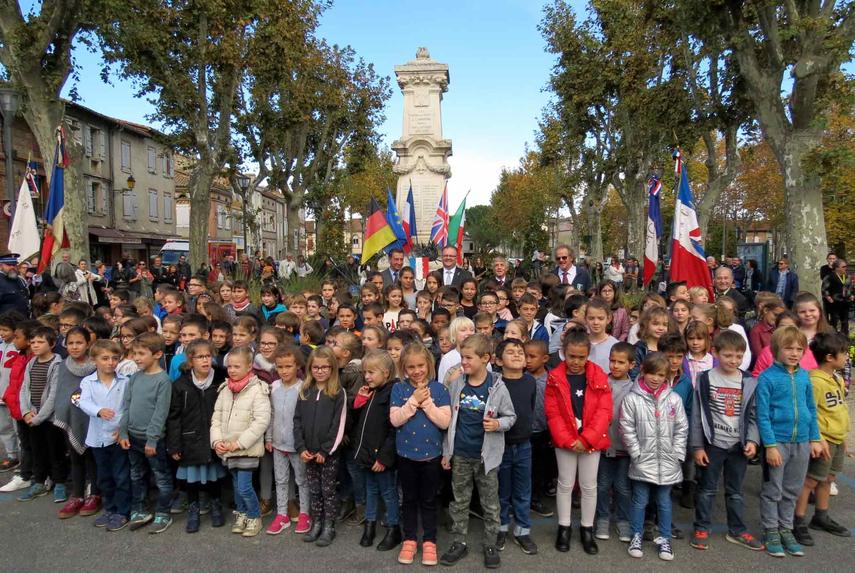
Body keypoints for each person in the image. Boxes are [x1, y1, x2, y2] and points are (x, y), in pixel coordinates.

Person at [440, 334, 516, 569]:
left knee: (490, 503)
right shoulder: (457, 385)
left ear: (485, 359)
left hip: (486, 458)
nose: (463, 362)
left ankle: (490, 543)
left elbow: (511, 417)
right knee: (459, 502)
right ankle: (459, 541)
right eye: (462, 357)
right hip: (460, 454)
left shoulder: (497, 387)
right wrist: (446, 453)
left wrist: (498, 425)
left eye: (468, 357)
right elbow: (449, 420)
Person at [689, 330, 764, 551]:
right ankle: (701, 527)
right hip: (713, 445)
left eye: (739, 356)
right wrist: (697, 446)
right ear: (715, 353)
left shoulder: (749, 381)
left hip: (737, 445)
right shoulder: (705, 379)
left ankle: (737, 530)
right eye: (728, 355)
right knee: (706, 489)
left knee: (736, 491)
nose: (734, 360)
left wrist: (752, 441)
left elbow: (753, 415)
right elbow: (696, 415)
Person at [755, 326, 823, 558]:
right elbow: (762, 415)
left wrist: (814, 438)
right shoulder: (767, 378)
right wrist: (770, 445)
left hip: (802, 442)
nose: (794, 353)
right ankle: (771, 530)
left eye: (799, 349)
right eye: (788, 348)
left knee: (792, 490)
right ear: (776, 350)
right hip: (779, 443)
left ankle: (786, 529)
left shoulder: (804, 376)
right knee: (773, 489)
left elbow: (811, 409)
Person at [545, 329, 612, 555]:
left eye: (581, 357)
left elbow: (604, 412)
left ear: (588, 355)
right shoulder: (555, 377)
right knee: (565, 483)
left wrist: (587, 439)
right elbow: (552, 413)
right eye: (571, 356)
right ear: (564, 353)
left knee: (589, 485)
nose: (576, 361)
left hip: (589, 441)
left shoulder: (599, 375)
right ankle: (564, 527)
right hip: (566, 441)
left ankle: (587, 528)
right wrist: (568, 440)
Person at [622, 352, 688, 562]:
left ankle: (665, 538)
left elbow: (681, 428)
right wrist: (636, 453)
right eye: (652, 373)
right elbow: (627, 428)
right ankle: (637, 535)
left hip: (668, 462)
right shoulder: (632, 399)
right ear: (643, 371)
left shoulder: (674, 399)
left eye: (661, 375)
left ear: (667, 376)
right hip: (643, 460)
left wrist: (677, 454)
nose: (656, 378)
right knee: (640, 500)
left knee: (664, 502)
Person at [391, 343, 451, 566]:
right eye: (411, 367)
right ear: (404, 368)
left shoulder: (439, 389)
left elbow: (444, 422)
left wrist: (426, 402)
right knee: (408, 500)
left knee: (428, 500)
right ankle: (409, 539)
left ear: (429, 364)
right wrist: (413, 400)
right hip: (406, 456)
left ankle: (429, 541)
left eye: (421, 366)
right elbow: (395, 419)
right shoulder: (399, 389)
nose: (417, 371)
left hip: (431, 457)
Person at [792, 332, 851, 545]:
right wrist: (816, 439)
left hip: (835, 438)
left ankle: (821, 515)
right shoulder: (815, 381)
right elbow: (810, 412)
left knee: (828, 478)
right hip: (823, 439)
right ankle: (797, 521)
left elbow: (837, 409)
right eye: (843, 353)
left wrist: (842, 437)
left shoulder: (836, 378)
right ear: (829, 357)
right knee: (810, 480)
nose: (846, 357)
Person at [211, 345, 271, 538]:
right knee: (237, 486)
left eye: (237, 366)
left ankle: (254, 516)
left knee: (245, 486)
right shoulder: (225, 389)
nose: (232, 370)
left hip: (246, 448)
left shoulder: (258, 390)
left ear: (249, 367)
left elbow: (261, 421)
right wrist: (217, 441)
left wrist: (240, 443)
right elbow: (216, 418)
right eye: (229, 366)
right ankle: (242, 513)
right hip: (227, 448)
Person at [168, 339, 227, 533]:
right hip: (190, 438)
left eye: (208, 356)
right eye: (199, 356)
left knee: (214, 476)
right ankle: (193, 509)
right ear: (190, 359)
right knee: (191, 478)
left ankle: (216, 505)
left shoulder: (222, 379)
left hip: (214, 435)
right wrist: (174, 444)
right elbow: (174, 416)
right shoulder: (181, 384)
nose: (205, 360)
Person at [118, 332, 174, 533]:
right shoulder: (134, 378)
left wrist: (152, 439)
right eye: (134, 353)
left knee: (161, 476)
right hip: (132, 437)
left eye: (141, 353)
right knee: (136, 475)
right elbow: (126, 406)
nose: (136, 357)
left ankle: (163, 512)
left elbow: (160, 413)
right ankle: (139, 509)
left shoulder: (163, 381)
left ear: (158, 354)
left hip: (153, 440)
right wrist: (123, 432)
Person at [76, 339, 131, 532]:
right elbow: (83, 402)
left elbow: (127, 408)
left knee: (121, 475)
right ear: (94, 360)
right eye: (105, 358)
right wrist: (98, 410)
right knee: (104, 476)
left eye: (114, 358)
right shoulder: (88, 382)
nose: (110, 362)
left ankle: (123, 511)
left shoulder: (125, 381)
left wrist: (122, 428)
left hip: (117, 437)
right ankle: (110, 508)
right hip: (98, 437)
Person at [294, 346, 346, 547]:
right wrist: (300, 448)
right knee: (314, 490)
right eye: (316, 367)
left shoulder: (337, 392)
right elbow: (297, 420)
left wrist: (326, 450)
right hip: (308, 452)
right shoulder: (305, 390)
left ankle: (328, 526)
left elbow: (338, 425)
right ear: (310, 368)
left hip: (328, 454)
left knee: (328, 490)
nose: (320, 371)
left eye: (325, 367)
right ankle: (316, 522)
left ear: (332, 369)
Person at [352, 350, 401, 551]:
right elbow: (359, 425)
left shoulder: (393, 391)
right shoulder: (369, 391)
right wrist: (359, 402)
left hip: (381, 456)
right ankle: (370, 524)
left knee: (388, 492)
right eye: (365, 372)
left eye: (372, 372)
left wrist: (384, 457)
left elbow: (394, 430)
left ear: (387, 373)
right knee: (370, 490)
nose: (367, 376)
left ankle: (393, 527)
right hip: (366, 454)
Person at [494, 338, 538, 555]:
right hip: (500, 445)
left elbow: (530, 407)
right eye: (510, 352)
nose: (517, 354)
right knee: (501, 491)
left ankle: (522, 530)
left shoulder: (530, 382)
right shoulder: (495, 383)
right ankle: (500, 527)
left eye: (520, 351)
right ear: (499, 361)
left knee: (522, 491)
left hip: (523, 445)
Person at [52, 326, 101, 519]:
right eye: (70, 343)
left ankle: (95, 492)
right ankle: (77, 494)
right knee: (75, 457)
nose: (74, 347)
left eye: (79, 342)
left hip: (92, 419)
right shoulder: (63, 366)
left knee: (92, 457)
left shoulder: (96, 366)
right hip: (70, 418)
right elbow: (59, 392)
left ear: (88, 344)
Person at [18, 326, 67, 502]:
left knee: (55, 451)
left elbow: (54, 395)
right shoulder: (31, 362)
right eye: (32, 342)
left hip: (50, 418)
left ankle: (60, 482)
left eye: (40, 342)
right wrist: (26, 412)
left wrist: (39, 417)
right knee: (37, 450)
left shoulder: (58, 364)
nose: (35, 345)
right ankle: (39, 481)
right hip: (33, 415)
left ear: (52, 344)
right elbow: (24, 388)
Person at [595, 342, 635, 542]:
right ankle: (602, 517)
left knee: (622, 486)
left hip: (625, 448)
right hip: (603, 446)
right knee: (602, 485)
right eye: (612, 361)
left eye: (621, 362)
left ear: (631, 365)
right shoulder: (601, 382)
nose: (615, 366)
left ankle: (623, 519)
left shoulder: (635, 387)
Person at [821, 259, 850, 335]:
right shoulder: (829, 277)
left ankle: (845, 338)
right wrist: (828, 298)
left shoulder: (846, 276)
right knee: (834, 321)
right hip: (834, 303)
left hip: (845, 302)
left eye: (846, 266)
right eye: (843, 267)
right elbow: (824, 289)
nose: (845, 268)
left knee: (845, 321)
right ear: (837, 268)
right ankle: (833, 337)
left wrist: (851, 295)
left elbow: (850, 287)